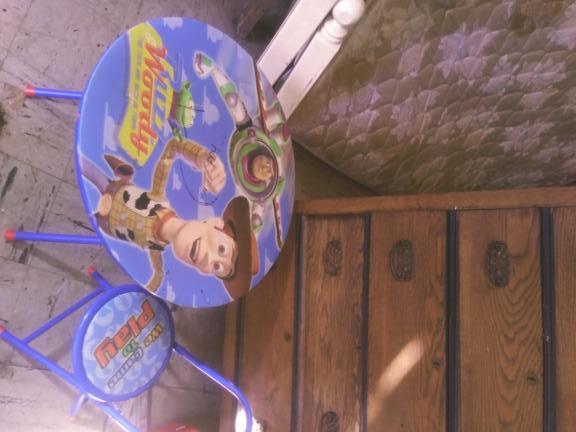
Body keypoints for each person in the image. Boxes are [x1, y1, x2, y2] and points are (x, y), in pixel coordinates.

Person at [80, 137, 259, 299]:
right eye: (222, 249)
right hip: (113, 189)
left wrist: (152, 287)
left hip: (104, 224)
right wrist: (202, 157)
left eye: (217, 267)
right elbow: (173, 147)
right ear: (214, 223)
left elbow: (157, 273)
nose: (209, 258)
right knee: (85, 166)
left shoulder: (154, 246)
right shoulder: (158, 199)